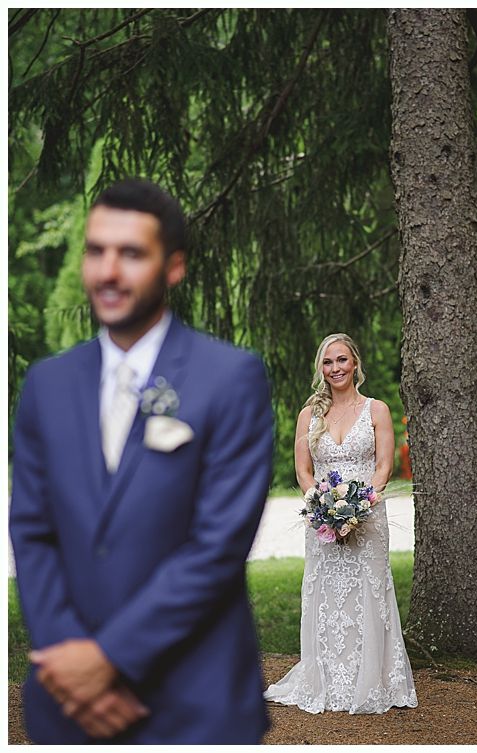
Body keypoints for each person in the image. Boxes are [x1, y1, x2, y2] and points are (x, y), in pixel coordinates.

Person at [10, 179, 274, 743]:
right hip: (69, 710)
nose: (108, 271)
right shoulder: (46, 384)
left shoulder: (230, 378)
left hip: (195, 702)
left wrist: (108, 660)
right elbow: (32, 532)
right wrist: (73, 670)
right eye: (96, 250)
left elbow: (217, 547)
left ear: (172, 267)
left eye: (130, 254)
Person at [264, 333, 417, 714]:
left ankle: (373, 680)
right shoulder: (308, 414)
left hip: (368, 512)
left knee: (369, 590)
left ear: (355, 364)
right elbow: (303, 470)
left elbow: (385, 464)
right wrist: (322, 504)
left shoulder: (376, 410)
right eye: (328, 362)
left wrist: (362, 502)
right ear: (321, 369)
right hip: (322, 518)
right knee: (327, 594)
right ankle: (326, 678)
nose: (335, 368)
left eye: (342, 360)